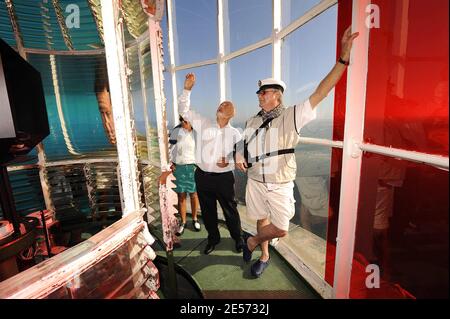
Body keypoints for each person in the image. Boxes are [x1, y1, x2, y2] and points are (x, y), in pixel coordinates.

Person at [236, 26, 359, 278]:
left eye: (264, 92)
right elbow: (242, 144)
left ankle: (252, 242)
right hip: (255, 180)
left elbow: (321, 92)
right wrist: (238, 155)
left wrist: (343, 59)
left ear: (277, 97)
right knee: (261, 218)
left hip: (280, 182)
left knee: (281, 228)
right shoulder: (251, 121)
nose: (259, 96)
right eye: (259, 92)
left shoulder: (293, 115)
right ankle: (265, 255)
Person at [179, 73, 244, 255]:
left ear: (232, 114)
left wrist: (229, 162)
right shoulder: (204, 123)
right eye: (221, 104)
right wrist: (187, 89)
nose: (221, 105)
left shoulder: (235, 134)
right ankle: (213, 239)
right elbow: (184, 111)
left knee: (230, 210)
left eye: (226, 105)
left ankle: (238, 239)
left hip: (223, 179)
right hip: (202, 176)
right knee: (207, 212)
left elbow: (241, 155)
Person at [169, 115, 201, 236]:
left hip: (192, 167)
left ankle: (194, 218)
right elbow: (170, 148)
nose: (183, 122)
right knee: (181, 196)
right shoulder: (176, 131)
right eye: (181, 120)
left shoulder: (196, 133)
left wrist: (198, 165)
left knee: (194, 195)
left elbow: (201, 151)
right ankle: (183, 222)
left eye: (186, 121)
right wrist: (171, 163)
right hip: (179, 167)